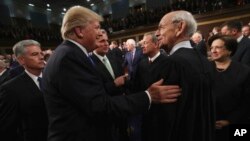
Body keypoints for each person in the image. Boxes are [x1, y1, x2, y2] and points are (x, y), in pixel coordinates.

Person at [42, 6, 181, 141]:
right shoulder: (69, 57)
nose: (100, 33)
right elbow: (100, 106)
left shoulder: (68, 53)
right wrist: (148, 96)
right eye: (96, 27)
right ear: (79, 31)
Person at [143, 10, 214, 141]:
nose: (157, 33)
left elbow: (165, 117)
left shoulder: (171, 63)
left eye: (161, 27)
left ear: (180, 27)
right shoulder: (205, 60)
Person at [0, 39, 48, 141]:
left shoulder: (56, 79)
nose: (41, 57)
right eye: (35, 54)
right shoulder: (10, 89)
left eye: (41, 53)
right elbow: (7, 128)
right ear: (21, 60)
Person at [208, 35, 250, 141]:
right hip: (209, 124)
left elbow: (247, 101)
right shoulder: (204, 68)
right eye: (212, 48)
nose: (213, 51)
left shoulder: (244, 71)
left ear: (229, 50)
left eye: (218, 47)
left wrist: (230, 121)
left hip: (236, 124)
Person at [90, 29, 128, 141]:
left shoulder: (113, 57)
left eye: (107, 40)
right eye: (102, 41)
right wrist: (114, 84)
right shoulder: (89, 63)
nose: (106, 43)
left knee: (124, 134)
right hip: (105, 111)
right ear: (94, 43)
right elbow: (94, 91)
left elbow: (122, 79)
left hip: (120, 106)